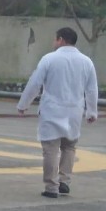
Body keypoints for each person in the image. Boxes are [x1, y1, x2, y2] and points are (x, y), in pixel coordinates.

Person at [17, 27, 98, 198]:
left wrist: (24, 104)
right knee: (69, 147)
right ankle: (64, 181)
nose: (54, 42)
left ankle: (51, 186)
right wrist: (92, 111)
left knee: (51, 149)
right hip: (75, 110)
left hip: (52, 110)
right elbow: (91, 89)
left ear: (61, 39)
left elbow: (35, 83)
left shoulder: (49, 59)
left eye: (55, 39)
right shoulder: (86, 61)